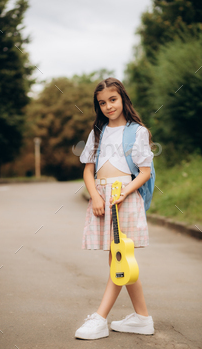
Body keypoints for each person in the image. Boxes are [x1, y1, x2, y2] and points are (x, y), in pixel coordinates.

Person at [75, 77, 155, 340]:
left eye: (113, 99)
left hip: (125, 197)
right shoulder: (97, 132)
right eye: (102, 103)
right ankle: (142, 318)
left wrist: (124, 193)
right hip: (102, 197)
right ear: (98, 106)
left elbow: (144, 172)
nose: (108, 106)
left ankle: (100, 318)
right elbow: (88, 170)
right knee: (121, 258)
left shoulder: (137, 131)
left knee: (119, 258)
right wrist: (95, 196)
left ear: (123, 99)